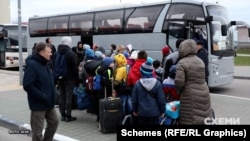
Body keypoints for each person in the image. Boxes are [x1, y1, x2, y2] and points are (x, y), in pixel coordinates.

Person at [23, 42, 59, 141]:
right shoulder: (32, 65)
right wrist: (42, 96)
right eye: (49, 52)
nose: (51, 54)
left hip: (49, 102)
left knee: (54, 122)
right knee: (37, 131)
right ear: (42, 52)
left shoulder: (45, 63)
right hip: (38, 104)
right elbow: (28, 85)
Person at [175, 39, 213, 125]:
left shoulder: (182, 62)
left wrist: (178, 91)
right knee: (203, 115)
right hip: (204, 91)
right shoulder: (200, 61)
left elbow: (179, 81)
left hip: (190, 94)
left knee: (190, 118)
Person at [131, 60, 166, 125]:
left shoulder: (137, 83)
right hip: (154, 112)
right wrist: (162, 111)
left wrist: (135, 110)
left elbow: (134, 99)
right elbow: (161, 99)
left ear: (141, 71)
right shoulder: (157, 83)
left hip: (141, 112)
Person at [56, 36, 79, 122]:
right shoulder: (71, 54)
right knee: (69, 96)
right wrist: (77, 79)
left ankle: (62, 115)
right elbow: (74, 68)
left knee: (61, 95)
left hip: (60, 77)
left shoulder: (57, 53)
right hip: (69, 78)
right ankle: (68, 115)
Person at [95, 57, 115, 122]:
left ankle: (99, 117)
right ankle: (102, 118)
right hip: (104, 90)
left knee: (100, 103)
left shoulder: (101, 68)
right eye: (112, 63)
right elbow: (106, 82)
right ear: (108, 63)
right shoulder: (107, 70)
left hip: (100, 89)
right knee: (104, 103)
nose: (113, 64)